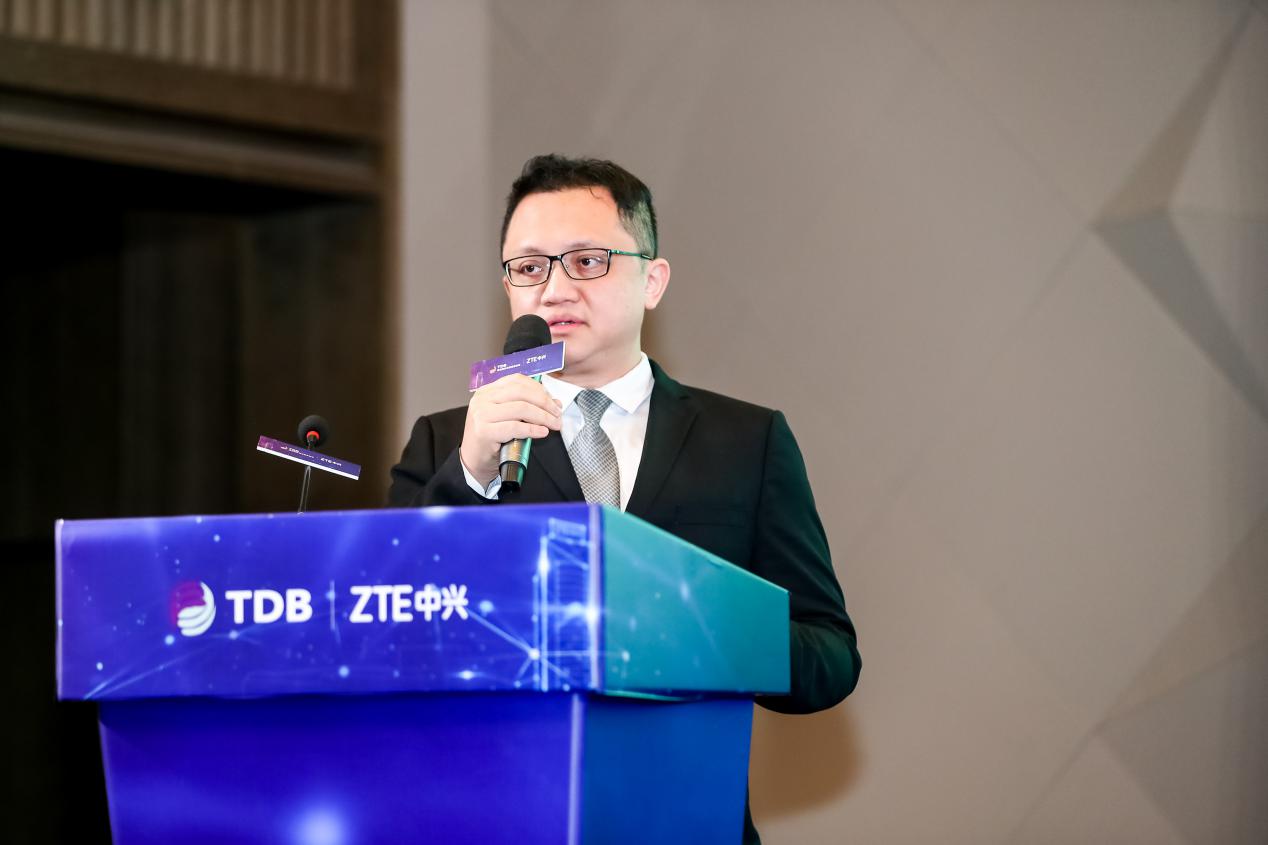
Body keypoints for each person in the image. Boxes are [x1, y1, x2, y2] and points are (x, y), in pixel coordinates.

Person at [389, 154, 859, 843]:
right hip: (499, 819)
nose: (554, 289)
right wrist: (471, 473)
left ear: (653, 280)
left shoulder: (747, 441)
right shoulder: (446, 442)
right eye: (529, 267)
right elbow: (388, 627)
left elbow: (830, 655)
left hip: (688, 822)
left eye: (586, 262)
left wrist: (702, 624)